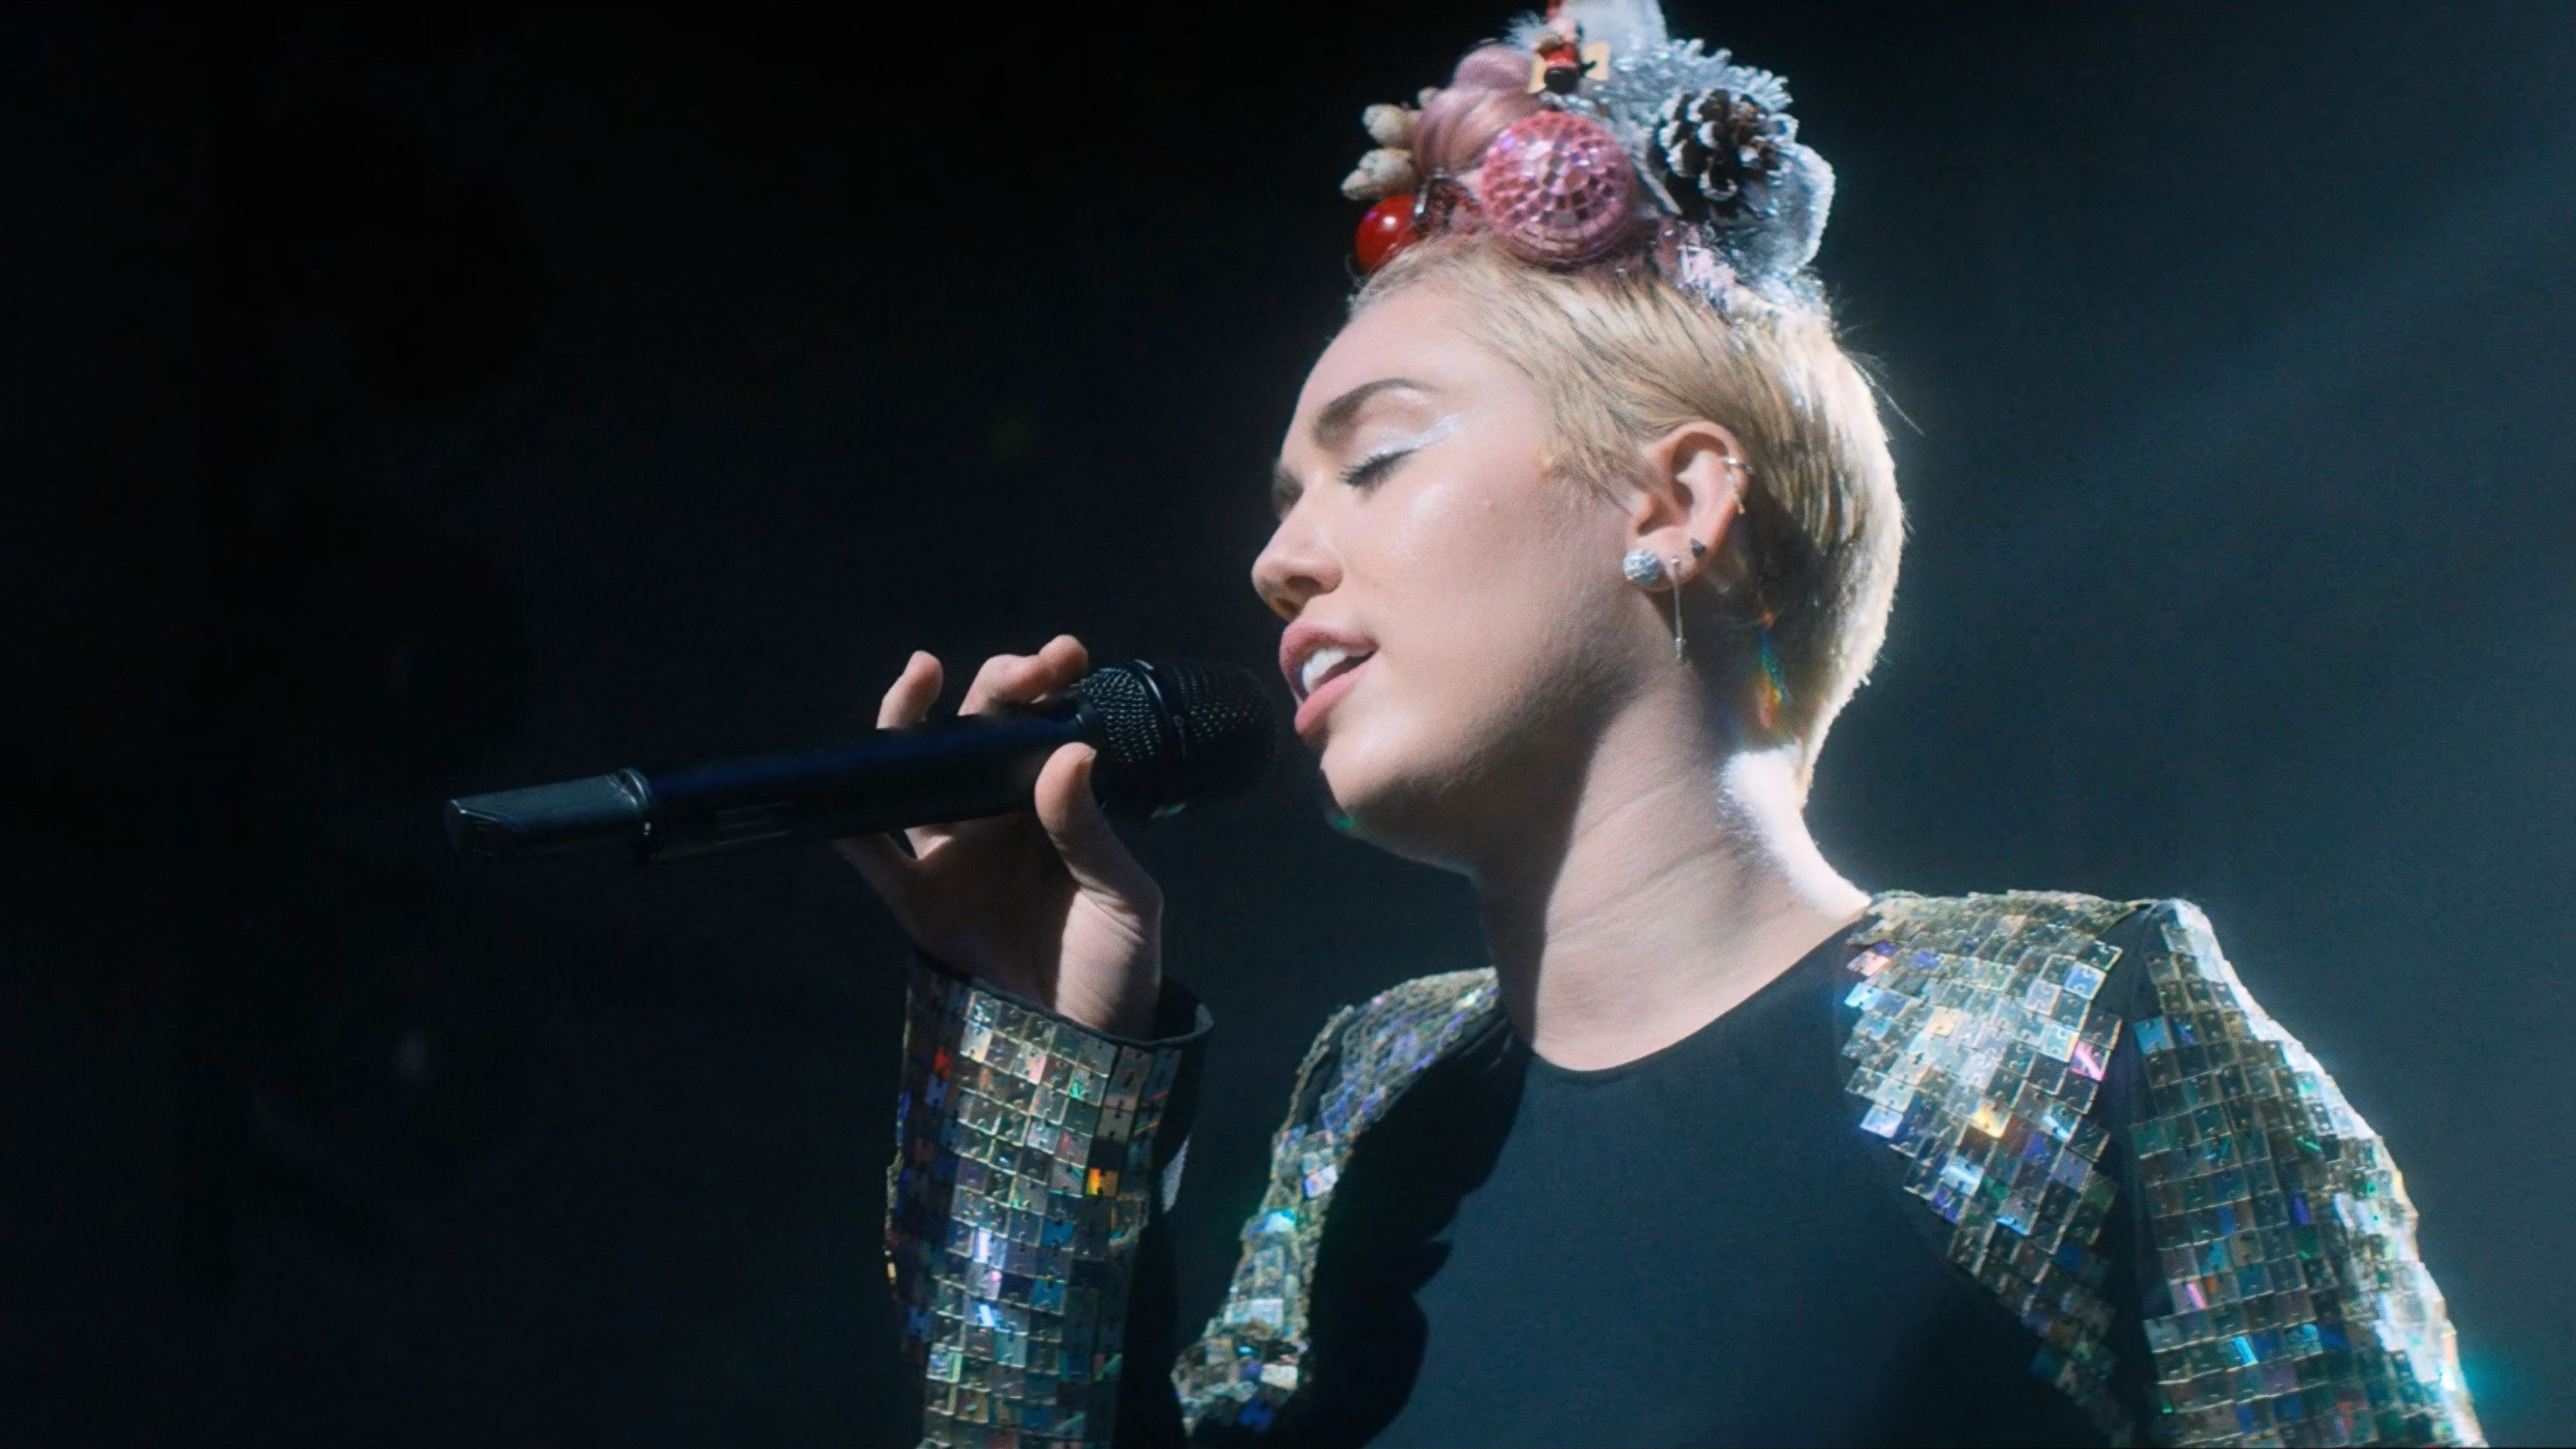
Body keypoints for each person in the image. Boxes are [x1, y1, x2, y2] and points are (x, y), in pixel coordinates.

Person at [838, 4, 2481, 1445]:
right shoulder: (1376, 1107)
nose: (1279, 562)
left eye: (1378, 458)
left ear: (1680, 500)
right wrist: (1047, 1062)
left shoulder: (2071, 1025)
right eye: (1285, 503)